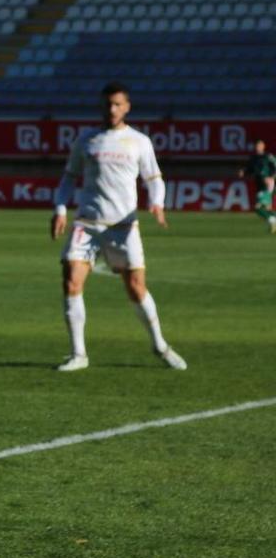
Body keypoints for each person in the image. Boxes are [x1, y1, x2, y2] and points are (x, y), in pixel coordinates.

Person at [51, 82, 186, 372]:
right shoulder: (87, 139)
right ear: (100, 106)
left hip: (123, 226)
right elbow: (69, 177)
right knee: (71, 282)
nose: (111, 109)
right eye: (107, 104)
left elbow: (154, 178)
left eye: (117, 104)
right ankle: (78, 354)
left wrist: (157, 203)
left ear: (127, 107)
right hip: (87, 223)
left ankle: (160, 346)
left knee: (136, 288)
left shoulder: (139, 141)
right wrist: (60, 209)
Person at [237, 138, 276, 233]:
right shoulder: (253, 158)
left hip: (267, 184)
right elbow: (250, 169)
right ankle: (273, 220)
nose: (258, 147)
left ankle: (272, 221)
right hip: (259, 185)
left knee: (258, 208)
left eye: (260, 145)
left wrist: (271, 177)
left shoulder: (268, 157)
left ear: (263, 146)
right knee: (267, 208)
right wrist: (243, 172)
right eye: (257, 145)